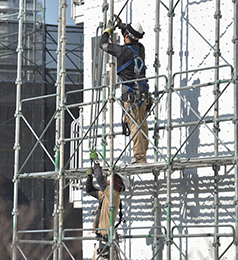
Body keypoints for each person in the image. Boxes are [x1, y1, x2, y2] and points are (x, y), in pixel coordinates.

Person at [100, 19, 150, 164]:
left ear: (127, 36)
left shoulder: (121, 51)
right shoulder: (141, 49)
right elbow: (130, 37)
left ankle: (140, 158)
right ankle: (143, 155)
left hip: (129, 96)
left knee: (134, 125)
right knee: (142, 123)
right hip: (142, 94)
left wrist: (108, 30)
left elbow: (103, 44)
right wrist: (123, 27)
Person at [86, 150, 125, 259]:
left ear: (119, 184)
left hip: (106, 238)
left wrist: (96, 162)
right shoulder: (106, 195)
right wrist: (89, 178)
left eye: (115, 178)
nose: (110, 179)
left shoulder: (114, 195)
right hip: (101, 238)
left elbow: (99, 179)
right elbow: (89, 190)